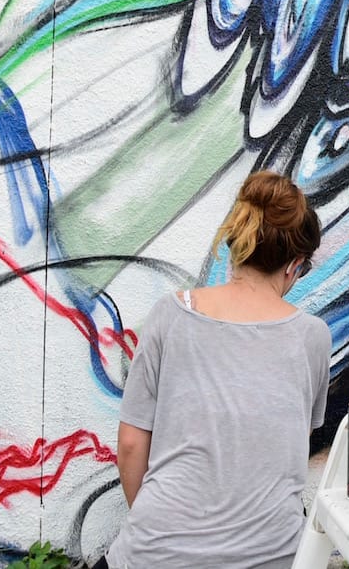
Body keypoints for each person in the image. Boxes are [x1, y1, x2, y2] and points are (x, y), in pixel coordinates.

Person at [103, 171, 331, 568]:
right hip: (271, 557)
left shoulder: (169, 315)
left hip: (157, 552)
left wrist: (166, 532)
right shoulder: (312, 337)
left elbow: (131, 444)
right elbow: (290, 440)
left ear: (237, 244)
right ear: (294, 265)